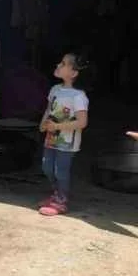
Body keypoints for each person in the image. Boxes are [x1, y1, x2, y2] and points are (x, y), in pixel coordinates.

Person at [38, 53, 92, 216]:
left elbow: (82, 122)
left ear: (74, 73)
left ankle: (61, 200)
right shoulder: (55, 89)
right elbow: (49, 109)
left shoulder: (79, 96)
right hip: (51, 138)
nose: (58, 65)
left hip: (68, 143)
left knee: (60, 171)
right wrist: (43, 124)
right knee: (47, 167)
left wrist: (58, 126)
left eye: (63, 63)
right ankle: (56, 194)